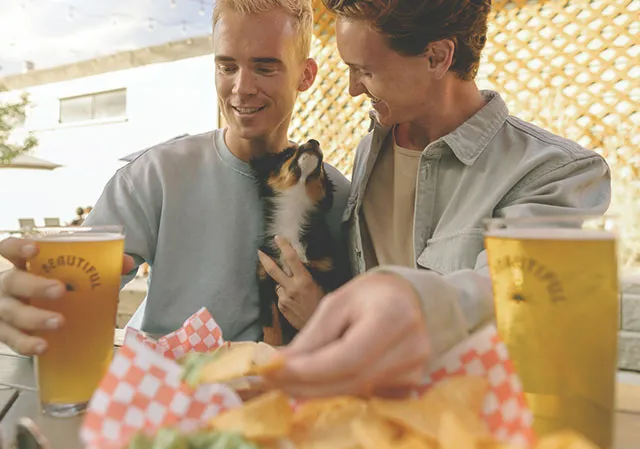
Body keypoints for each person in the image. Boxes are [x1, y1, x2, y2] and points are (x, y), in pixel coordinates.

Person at [263, 0, 611, 398]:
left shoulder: (552, 172)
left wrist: (414, 305)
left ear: (437, 57)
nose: (352, 89)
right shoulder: (370, 150)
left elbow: (517, 294)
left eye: (365, 70)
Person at [0, 0, 351, 356]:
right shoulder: (155, 176)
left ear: (306, 75)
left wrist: (323, 315)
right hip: (157, 392)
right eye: (227, 67)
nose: (241, 87)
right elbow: (67, 296)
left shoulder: (335, 198)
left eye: (265, 68)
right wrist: (27, 304)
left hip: (276, 397)